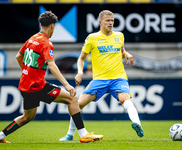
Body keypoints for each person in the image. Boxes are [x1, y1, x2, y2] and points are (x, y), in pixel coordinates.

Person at [0, 11, 103, 144]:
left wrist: (27, 72)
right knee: (71, 98)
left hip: (25, 85)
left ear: (40, 24)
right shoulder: (46, 43)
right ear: (52, 26)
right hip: (37, 86)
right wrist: (67, 85)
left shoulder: (32, 38)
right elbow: (52, 66)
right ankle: (83, 135)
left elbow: (18, 56)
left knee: (27, 117)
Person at [59, 10, 144, 141]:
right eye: (108, 20)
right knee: (78, 103)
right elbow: (81, 58)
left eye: (112, 20)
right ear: (100, 22)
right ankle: (70, 134)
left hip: (118, 77)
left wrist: (126, 54)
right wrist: (80, 72)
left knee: (125, 99)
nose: (111, 23)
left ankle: (137, 123)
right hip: (99, 79)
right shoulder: (92, 38)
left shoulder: (119, 36)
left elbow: (120, 50)